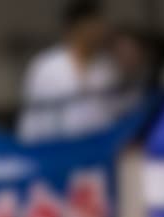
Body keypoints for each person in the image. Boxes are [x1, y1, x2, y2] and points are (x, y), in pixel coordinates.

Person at [18, 1, 126, 142]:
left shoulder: (107, 67)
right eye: (94, 25)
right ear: (77, 27)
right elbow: (33, 116)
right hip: (56, 145)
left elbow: (116, 113)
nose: (100, 31)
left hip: (98, 145)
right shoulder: (46, 66)